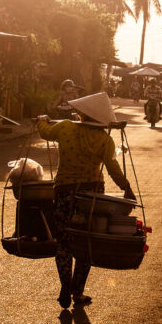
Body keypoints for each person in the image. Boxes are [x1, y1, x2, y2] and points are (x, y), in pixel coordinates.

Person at [36, 93, 135, 308]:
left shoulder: (64, 127)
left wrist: (42, 120)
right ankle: (77, 292)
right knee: (85, 241)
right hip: (92, 198)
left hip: (64, 192)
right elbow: (112, 168)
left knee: (63, 242)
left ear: (82, 114)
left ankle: (65, 284)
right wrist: (126, 188)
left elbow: (45, 133)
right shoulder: (105, 140)